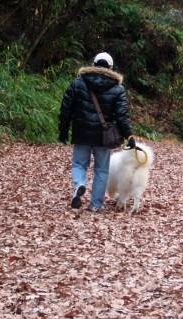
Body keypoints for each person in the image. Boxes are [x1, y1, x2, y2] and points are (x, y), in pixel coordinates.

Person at [58, 52, 136, 211]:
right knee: (101, 170)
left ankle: (79, 184)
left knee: (79, 164)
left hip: (81, 133)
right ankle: (96, 205)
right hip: (103, 137)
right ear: (111, 68)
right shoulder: (117, 88)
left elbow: (66, 109)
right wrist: (129, 135)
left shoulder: (78, 83)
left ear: (93, 64)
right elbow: (122, 116)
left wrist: (63, 130)